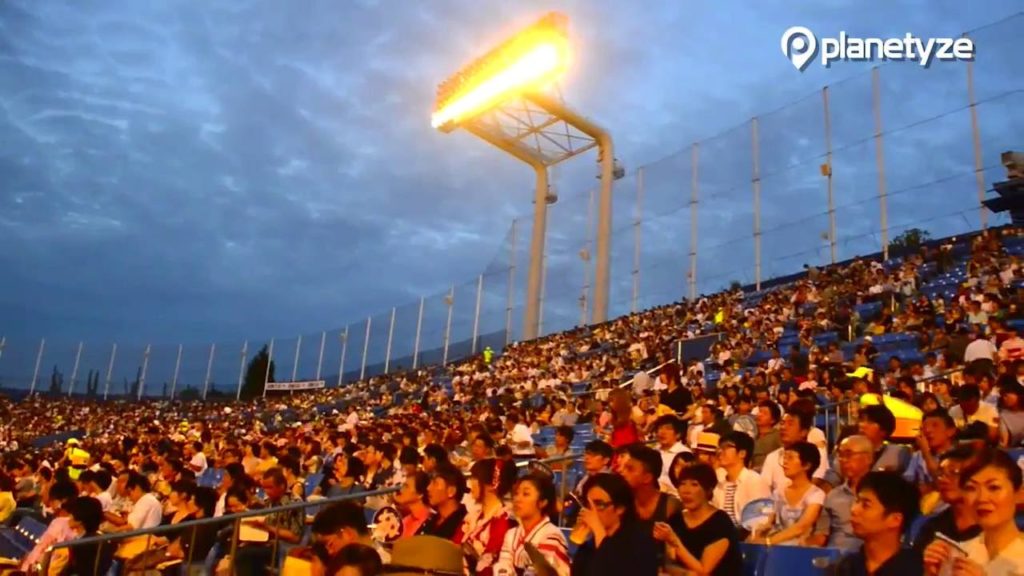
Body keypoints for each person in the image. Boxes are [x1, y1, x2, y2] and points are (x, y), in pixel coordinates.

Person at [923, 449, 1024, 576]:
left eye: (993, 487)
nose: (982, 498)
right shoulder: (959, 554)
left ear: (1019, 493)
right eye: (971, 488)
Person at [655, 463, 743, 576]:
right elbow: (668, 564)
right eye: (682, 484)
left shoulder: (720, 522)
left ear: (708, 490)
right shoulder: (675, 520)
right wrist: (686, 574)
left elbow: (703, 571)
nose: (686, 490)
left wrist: (674, 541)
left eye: (694, 484)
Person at [834, 471, 923, 576]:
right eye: (857, 501)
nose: (854, 509)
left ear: (895, 520)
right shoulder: (848, 566)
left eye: (866, 505)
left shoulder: (917, 569)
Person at [570, 473, 659, 576]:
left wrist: (598, 531)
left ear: (620, 508)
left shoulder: (640, 544)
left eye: (599, 504)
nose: (592, 512)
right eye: (588, 505)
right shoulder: (588, 547)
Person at [910, 445, 981, 554]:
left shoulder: (992, 528)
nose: (943, 479)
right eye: (941, 473)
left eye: (953, 472)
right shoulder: (932, 528)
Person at [495, 473, 570, 576]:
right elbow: (503, 567)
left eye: (526, 494)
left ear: (542, 502)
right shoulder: (511, 534)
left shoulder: (552, 536)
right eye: (516, 493)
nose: (517, 499)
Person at [751, 441, 824, 546]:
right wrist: (760, 531)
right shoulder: (778, 492)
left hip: (801, 548)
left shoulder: (816, 494)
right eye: (784, 457)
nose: (785, 462)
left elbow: (801, 527)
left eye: (790, 458)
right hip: (776, 544)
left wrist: (769, 541)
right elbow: (769, 521)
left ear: (806, 465)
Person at [810, 435, 875, 552]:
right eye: (840, 454)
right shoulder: (833, 495)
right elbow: (821, 534)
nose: (843, 460)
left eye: (849, 454)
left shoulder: (880, 494)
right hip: (834, 558)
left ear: (868, 458)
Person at [461, 458, 516, 576]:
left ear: (492, 485)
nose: (470, 482)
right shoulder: (473, 515)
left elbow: (489, 564)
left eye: (474, 478)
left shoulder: (503, 520)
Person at [712, 431, 769, 528]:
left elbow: (763, 519)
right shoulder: (719, 482)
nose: (720, 452)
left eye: (727, 447)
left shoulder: (754, 480)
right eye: (720, 447)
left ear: (742, 453)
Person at [419, 463, 467, 541]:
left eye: (435, 483)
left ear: (451, 491)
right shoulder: (432, 520)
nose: (428, 488)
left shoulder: (464, 524)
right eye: (430, 483)